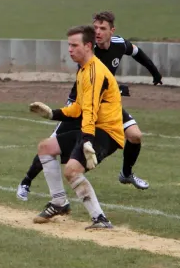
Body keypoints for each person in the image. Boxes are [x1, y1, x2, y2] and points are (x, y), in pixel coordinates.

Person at [16, 11, 163, 200]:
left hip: (106, 105)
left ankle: (126, 174)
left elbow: (136, 52)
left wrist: (155, 73)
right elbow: (94, 84)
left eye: (103, 28)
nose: (98, 32)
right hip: (81, 103)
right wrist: (118, 89)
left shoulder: (119, 44)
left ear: (112, 30)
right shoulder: (88, 50)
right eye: (95, 28)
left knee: (135, 136)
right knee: (51, 145)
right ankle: (26, 181)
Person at [28, 25, 124, 229]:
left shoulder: (93, 73)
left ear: (88, 46)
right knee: (46, 147)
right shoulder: (84, 69)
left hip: (107, 132)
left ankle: (100, 219)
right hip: (94, 128)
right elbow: (80, 107)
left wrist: (87, 139)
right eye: (68, 45)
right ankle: (59, 202)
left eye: (74, 45)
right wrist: (53, 113)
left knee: (72, 170)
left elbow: (89, 110)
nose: (70, 50)